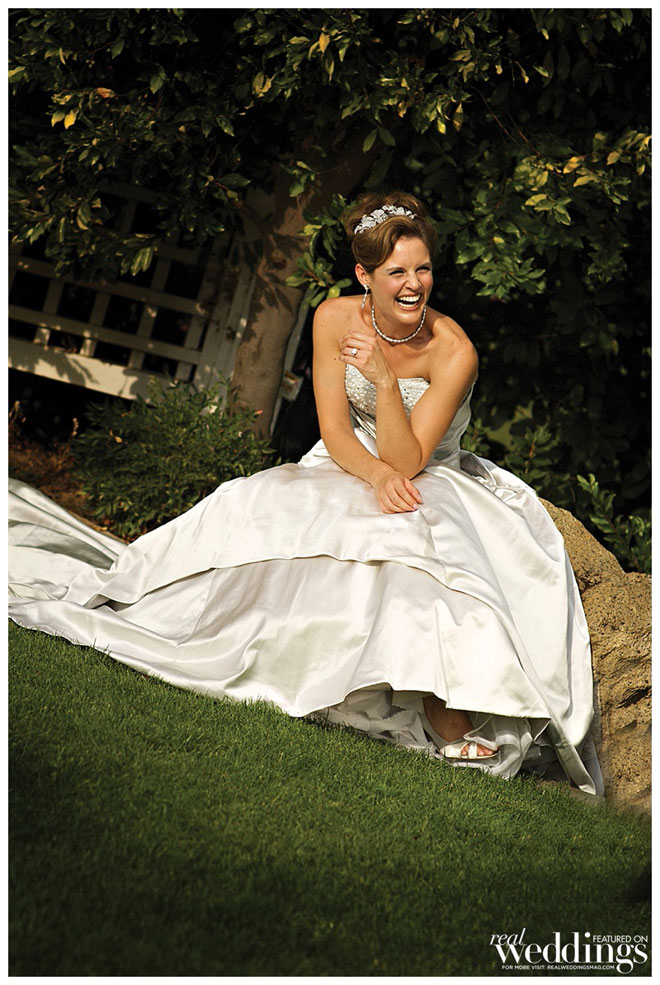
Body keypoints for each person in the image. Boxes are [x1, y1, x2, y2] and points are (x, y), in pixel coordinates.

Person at [8, 191, 603, 795]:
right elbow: (336, 431)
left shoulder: (454, 351)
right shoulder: (333, 318)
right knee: (253, 508)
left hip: (429, 474)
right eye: (396, 272)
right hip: (347, 462)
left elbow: (408, 461)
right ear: (363, 276)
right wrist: (373, 476)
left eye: (423, 269)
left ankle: (448, 714)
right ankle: (211, 635)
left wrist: (384, 382)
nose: (413, 285)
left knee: (412, 553)